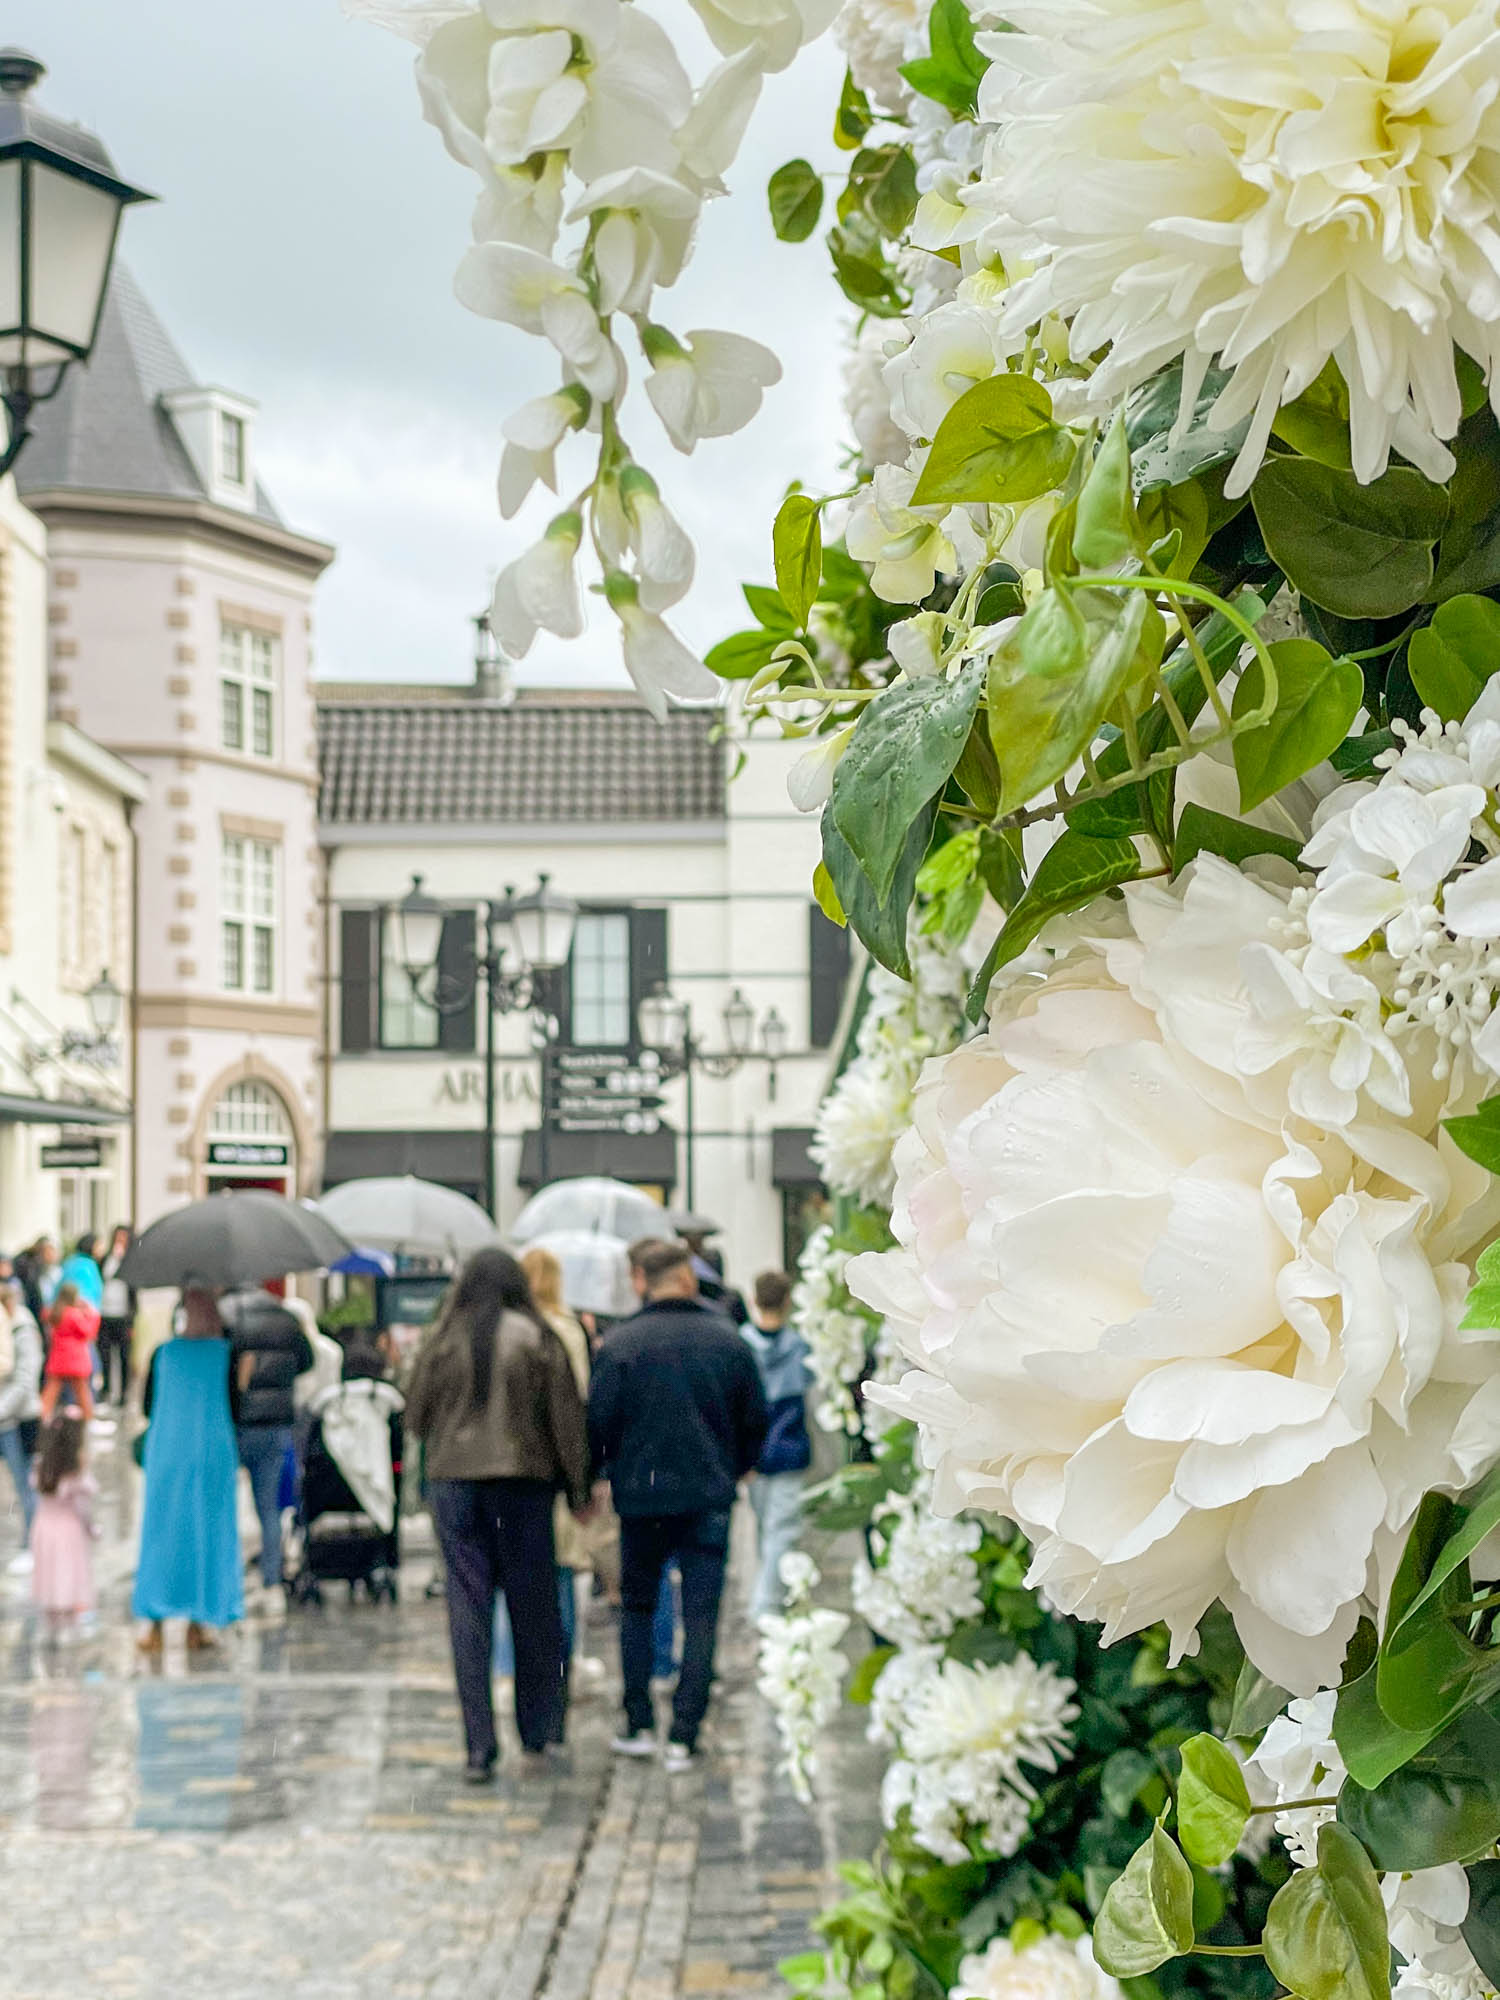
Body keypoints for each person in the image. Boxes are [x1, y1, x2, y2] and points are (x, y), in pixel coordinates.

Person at [405, 1247, 591, 1783]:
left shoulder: (443, 1338)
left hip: (455, 1485)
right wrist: (578, 1490)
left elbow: (414, 1415)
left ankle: (478, 1746)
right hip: (523, 1485)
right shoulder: (537, 1337)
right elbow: (566, 1422)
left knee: (468, 1612)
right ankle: (538, 1731)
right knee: (535, 1612)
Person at [588, 1238, 767, 1771]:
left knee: (638, 1609)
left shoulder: (621, 1345)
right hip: (708, 1491)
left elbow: (597, 1424)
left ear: (642, 1278)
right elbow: (754, 1418)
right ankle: (685, 1732)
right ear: (687, 1278)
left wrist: (604, 1474)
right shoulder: (727, 1341)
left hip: (641, 1496)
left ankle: (639, 1721)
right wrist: (734, 1466)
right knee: (702, 1613)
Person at [492, 1246, 600, 1708]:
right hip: (552, 1468)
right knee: (560, 1574)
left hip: (507, 1464)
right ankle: (563, 1665)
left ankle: (504, 1670)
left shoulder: (501, 1328)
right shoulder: (566, 1331)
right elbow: (576, 1403)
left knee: (509, 1573)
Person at [133, 1286, 243, 1651]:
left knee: (163, 1533)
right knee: (206, 1535)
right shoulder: (226, 1355)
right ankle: (200, 1621)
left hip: (168, 1453)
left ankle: (155, 1625)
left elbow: (148, 1406)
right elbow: (237, 1407)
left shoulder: (163, 1354)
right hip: (211, 1454)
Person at [222, 1285, 314, 1609]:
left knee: (227, 1506)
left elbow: (226, 1371)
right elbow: (307, 1360)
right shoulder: (286, 1319)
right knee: (269, 1508)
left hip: (239, 1423)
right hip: (276, 1424)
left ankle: (230, 1581)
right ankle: (271, 1582)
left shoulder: (232, 1317)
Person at [740, 1270, 813, 1620]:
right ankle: (767, 1605)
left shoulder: (741, 1346)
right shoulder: (800, 1349)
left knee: (765, 1528)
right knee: (780, 1532)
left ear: (754, 1299)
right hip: (789, 1449)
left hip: (753, 1454)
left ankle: (766, 1602)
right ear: (788, 1301)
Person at [30, 1414, 98, 1640]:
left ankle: (51, 1622)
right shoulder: (75, 1473)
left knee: (49, 1572)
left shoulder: (41, 1467)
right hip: (68, 1530)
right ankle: (70, 1624)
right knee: (68, 1574)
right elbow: (83, 1506)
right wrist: (91, 1528)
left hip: (43, 1528)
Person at [0, 1281, 42, 1573]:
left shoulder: (22, 1329)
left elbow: (25, 1381)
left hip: (21, 1419)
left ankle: (34, 1545)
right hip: (7, 1419)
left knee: (27, 1483)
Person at [40, 1283, 99, 1422]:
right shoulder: (73, 1315)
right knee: (83, 1393)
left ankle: (42, 1421)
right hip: (75, 1359)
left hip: (58, 1357)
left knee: (50, 1393)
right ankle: (88, 1420)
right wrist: (92, 1315)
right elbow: (88, 1332)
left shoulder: (55, 1312)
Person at [97, 1225, 136, 1409]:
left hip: (123, 1315)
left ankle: (123, 1393)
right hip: (105, 1314)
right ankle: (106, 1389)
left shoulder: (130, 1261)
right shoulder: (105, 1260)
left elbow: (134, 1292)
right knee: (105, 1354)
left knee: (123, 1356)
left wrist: (132, 1320)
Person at [59, 1234, 104, 1311]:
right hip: (83, 1313)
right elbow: (87, 1292)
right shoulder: (87, 1265)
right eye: (99, 1245)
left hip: (65, 1310)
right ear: (91, 1246)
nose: (102, 1249)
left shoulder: (70, 1261)